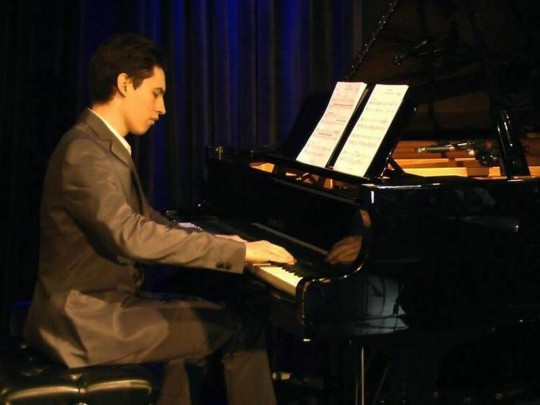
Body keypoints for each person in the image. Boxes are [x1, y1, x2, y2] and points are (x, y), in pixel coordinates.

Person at [24, 32, 295, 405]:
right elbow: (131, 235)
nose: (162, 107)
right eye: (156, 93)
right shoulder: (85, 152)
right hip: (84, 324)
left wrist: (222, 242)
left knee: (193, 327)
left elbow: (147, 219)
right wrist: (239, 253)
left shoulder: (97, 144)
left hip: (94, 311)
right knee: (242, 330)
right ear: (124, 84)